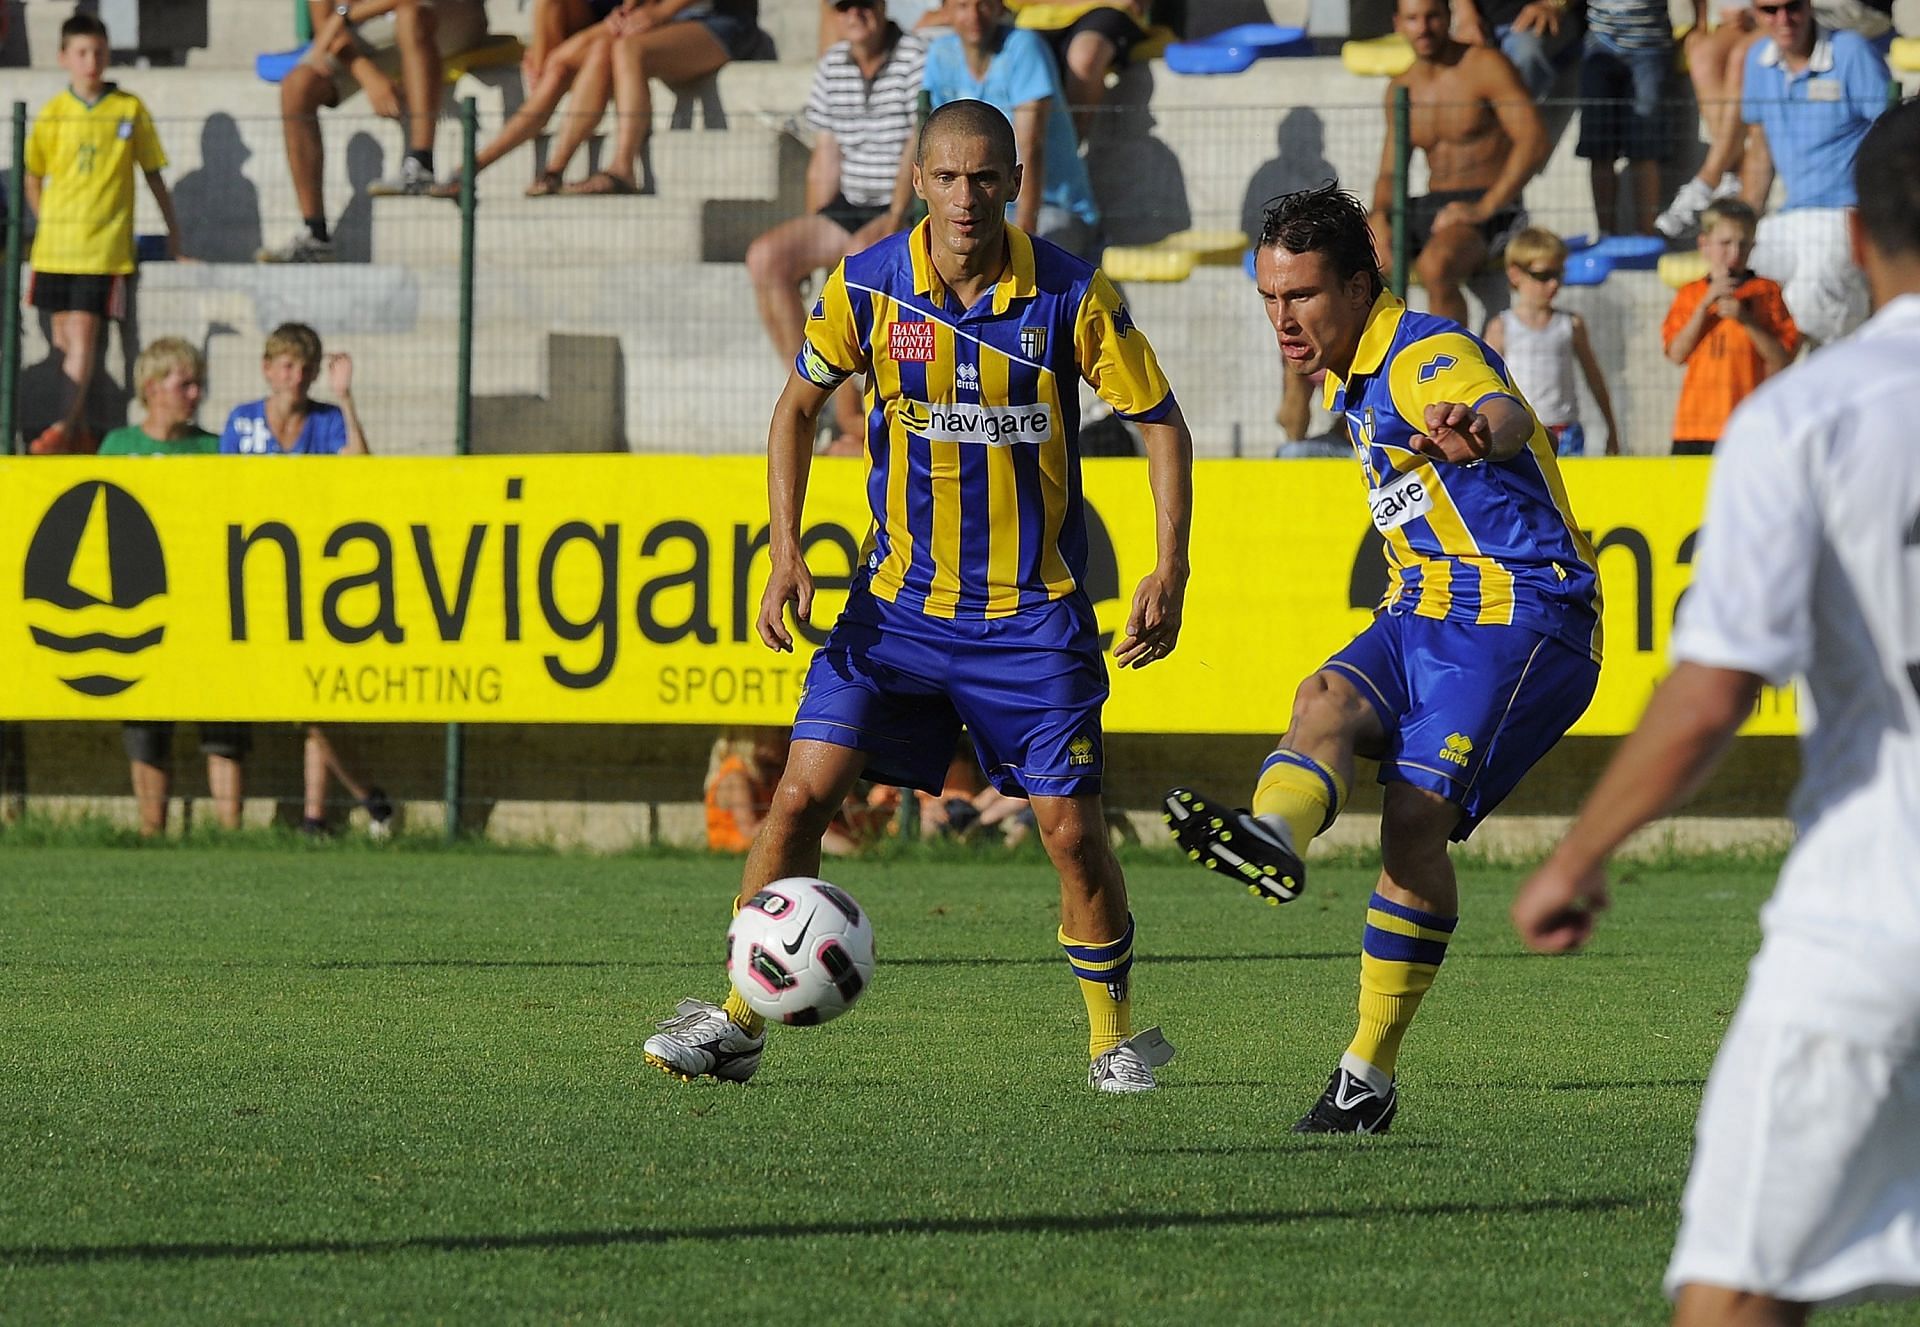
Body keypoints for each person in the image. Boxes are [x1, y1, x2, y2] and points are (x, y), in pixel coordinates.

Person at [644, 98, 1194, 1094]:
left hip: (1033, 616)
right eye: (947, 177)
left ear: (1016, 182)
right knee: (800, 793)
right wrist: (785, 553)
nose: (967, 197)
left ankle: (1112, 1038)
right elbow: (797, 408)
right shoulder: (867, 287)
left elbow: (1161, 423)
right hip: (894, 610)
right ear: (918, 183)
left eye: (986, 177)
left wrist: (1170, 564)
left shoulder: (1071, 297)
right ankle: (734, 1022)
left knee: (1071, 834)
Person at [1511, 97, 1920, 1327]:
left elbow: (1712, 691)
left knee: (1739, 1296)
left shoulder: (1814, 416)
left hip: (1874, 925)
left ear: (1853, 235)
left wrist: (1578, 854)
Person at [1164, 182, 1601, 1133]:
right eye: (1270, 298)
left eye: (1303, 297)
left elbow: (1498, 404)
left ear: (1362, 286)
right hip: (1420, 605)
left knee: (1414, 813)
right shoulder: (1346, 369)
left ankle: (1367, 1074)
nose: (1283, 319)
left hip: (1526, 612)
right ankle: (1273, 839)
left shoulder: (1422, 350)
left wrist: (1482, 428)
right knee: (1319, 696)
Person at [219, 324, 393, 838]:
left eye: (306, 368)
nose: (296, 377)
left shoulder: (326, 420)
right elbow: (223, 492)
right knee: (300, 704)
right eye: (287, 366)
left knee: (314, 700)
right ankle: (368, 797)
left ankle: (316, 817)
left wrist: (346, 398)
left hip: (316, 577)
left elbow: (361, 471)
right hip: (255, 578)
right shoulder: (243, 423)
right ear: (267, 368)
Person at [745, 0, 925, 448]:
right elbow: (825, 157)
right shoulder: (833, 65)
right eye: (844, 6)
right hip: (850, 203)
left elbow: (915, 146)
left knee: (853, 266)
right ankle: (818, 401)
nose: (854, 14)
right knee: (766, 260)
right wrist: (812, 235)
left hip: (903, 201)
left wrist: (896, 215)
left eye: (864, 4)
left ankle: (855, 423)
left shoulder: (915, 57)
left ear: (882, 7)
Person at [98, 338, 247, 837]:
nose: (195, 392)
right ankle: (150, 833)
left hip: (207, 604)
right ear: (150, 387)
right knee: (147, 721)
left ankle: (231, 836)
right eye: (184, 383)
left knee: (222, 722)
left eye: (198, 383)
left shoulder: (215, 448)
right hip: (142, 606)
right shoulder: (119, 447)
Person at [22, 12, 184, 455]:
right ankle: (80, 432)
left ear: (108, 54)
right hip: (55, 250)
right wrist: (46, 219)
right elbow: (32, 174)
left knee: (83, 337)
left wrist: (175, 237)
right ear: (63, 58)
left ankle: (60, 430)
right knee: (64, 346)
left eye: (98, 51)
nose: (91, 61)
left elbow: (153, 175)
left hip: (102, 251)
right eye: (81, 52)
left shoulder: (128, 109)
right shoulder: (54, 113)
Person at [259, 0, 490, 261]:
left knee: (411, 16)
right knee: (297, 85)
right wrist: (367, 73)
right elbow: (326, 23)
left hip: (449, 16)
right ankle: (315, 235)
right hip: (373, 26)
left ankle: (421, 164)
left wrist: (344, 15)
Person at [1369, 0, 1550, 327]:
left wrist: (1484, 207)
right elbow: (1390, 172)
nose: (1423, 28)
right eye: (1413, 19)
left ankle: (1449, 368)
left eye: (1432, 17)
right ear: (1398, 24)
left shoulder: (1484, 66)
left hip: (1491, 206)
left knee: (1436, 265)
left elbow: (1534, 141)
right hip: (1435, 207)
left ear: (1449, 17)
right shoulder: (1402, 87)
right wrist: (1380, 216)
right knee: (1351, 254)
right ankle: (1381, 365)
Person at [1737, 0, 1889, 345]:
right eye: (1769, 10)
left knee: (1809, 305)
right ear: (1755, 14)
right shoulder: (1757, 60)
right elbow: (1759, 153)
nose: (1783, 19)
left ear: (1808, 7)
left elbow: (1893, 136)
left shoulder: (1850, 52)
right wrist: (1742, 224)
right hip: (1790, 215)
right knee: (1742, 289)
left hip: (1847, 213)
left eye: (1792, 7)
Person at [912, 0, 1104, 258]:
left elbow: (1031, 144)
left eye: (983, 5)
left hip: (1051, 206)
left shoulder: (1025, 48)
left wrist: (1024, 237)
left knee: (1024, 266)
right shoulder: (941, 54)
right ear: (945, 12)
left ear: (1000, 8)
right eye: (963, 6)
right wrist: (896, 215)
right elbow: (922, 138)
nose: (974, 16)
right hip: (983, 202)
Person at [535, 0, 765, 196]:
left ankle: (622, 168)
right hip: (674, 20)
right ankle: (554, 170)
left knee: (629, 50)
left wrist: (661, 12)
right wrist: (627, 10)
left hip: (724, 22)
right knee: (564, 59)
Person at [1662, 198, 1797, 454]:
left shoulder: (1766, 292)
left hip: (1750, 425)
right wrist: (1704, 306)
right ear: (1705, 245)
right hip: (1695, 426)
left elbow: (1782, 359)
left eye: (1743, 245)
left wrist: (1746, 320)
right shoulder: (1691, 295)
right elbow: (1676, 353)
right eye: (1725, 244)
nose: (1734, 254)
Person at [1483, 226, 1621, 455]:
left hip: (1565, 430)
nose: (1554, 284)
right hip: (1522, 430)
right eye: (1543, 276)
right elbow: (1488, 383)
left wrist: (1611, 429)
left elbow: (1594, 378)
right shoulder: (1502, 327)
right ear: (1516, 275)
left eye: (1558, 275)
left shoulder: (1571, 324)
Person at [1578, 0, 1699, 236]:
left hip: (1650, 44)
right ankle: (1605, 236)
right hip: (1598, 42)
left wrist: (1699, 25)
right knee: (1598, 148)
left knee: (1645, 148)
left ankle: (1645, 237)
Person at [705, 727, 864, 854]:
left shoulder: (767, 774)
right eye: (779, 733)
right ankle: (858, 856)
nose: (786, 739)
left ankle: (861, 853)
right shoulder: (736, 776)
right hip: (736, 849)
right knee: (817, 833)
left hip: (764, 842)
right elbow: (748, 833)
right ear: (754, 738)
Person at [1450, 0, 1583, 101]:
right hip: (1479, 20)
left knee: (1526, 53)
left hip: (1547, 16)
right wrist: (1465, 14)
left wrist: (1554, 4)